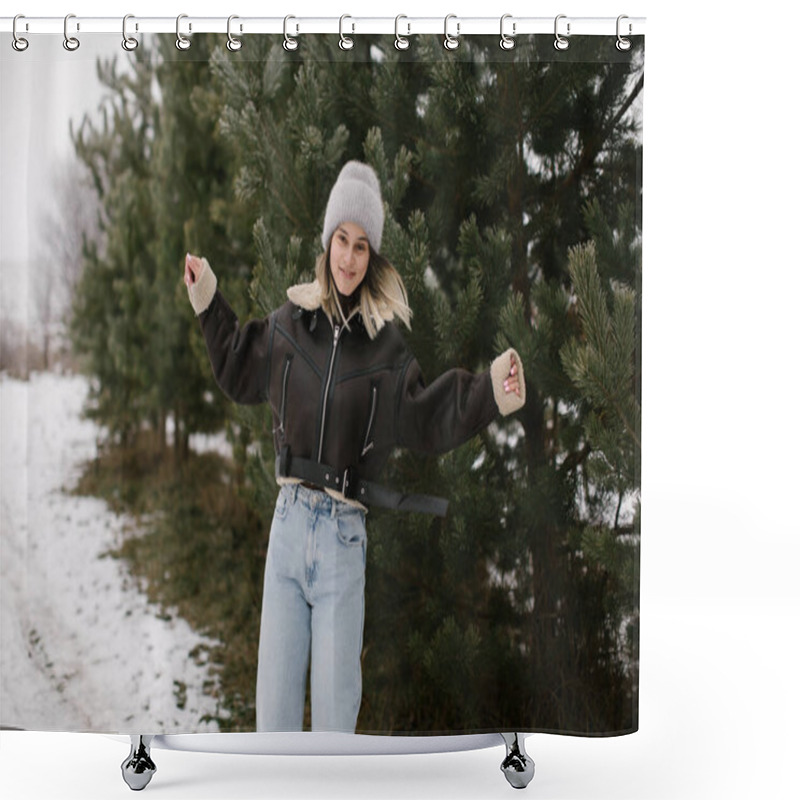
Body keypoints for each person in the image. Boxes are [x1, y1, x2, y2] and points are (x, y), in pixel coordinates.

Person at [183, 161, 525, 734]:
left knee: (336, 731)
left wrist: (490, 390)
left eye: (361, 246)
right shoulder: (290, 325)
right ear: (327, 242)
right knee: (275, 726)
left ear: (373, 258)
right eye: (341, 240)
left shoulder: (385, 351)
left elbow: (429, 415)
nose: (348, 257)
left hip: (343, 541)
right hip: (289, 530)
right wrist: (208, 298)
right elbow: (239, 365)